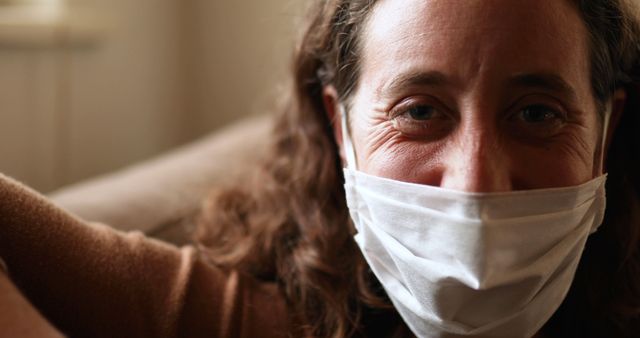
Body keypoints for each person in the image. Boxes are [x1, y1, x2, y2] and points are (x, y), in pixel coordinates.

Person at [1, 0, 639, 337]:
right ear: (341, 130)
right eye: (419, 111)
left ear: (605, 134)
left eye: (535, 114)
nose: (474, 187)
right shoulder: (245, 322)